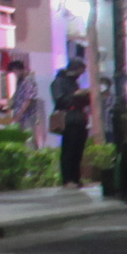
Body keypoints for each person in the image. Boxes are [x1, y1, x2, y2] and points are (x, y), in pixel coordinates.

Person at [50, 48, 92, 190]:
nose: (80, 76)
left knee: (78, 150)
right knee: (69, 149)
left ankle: (76, 177)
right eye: (79, 71)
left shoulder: (74, 83)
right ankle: (68, 179)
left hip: (79, 118)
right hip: (68, 119)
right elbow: (60, 100)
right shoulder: (59, 82)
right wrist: (76, 95)